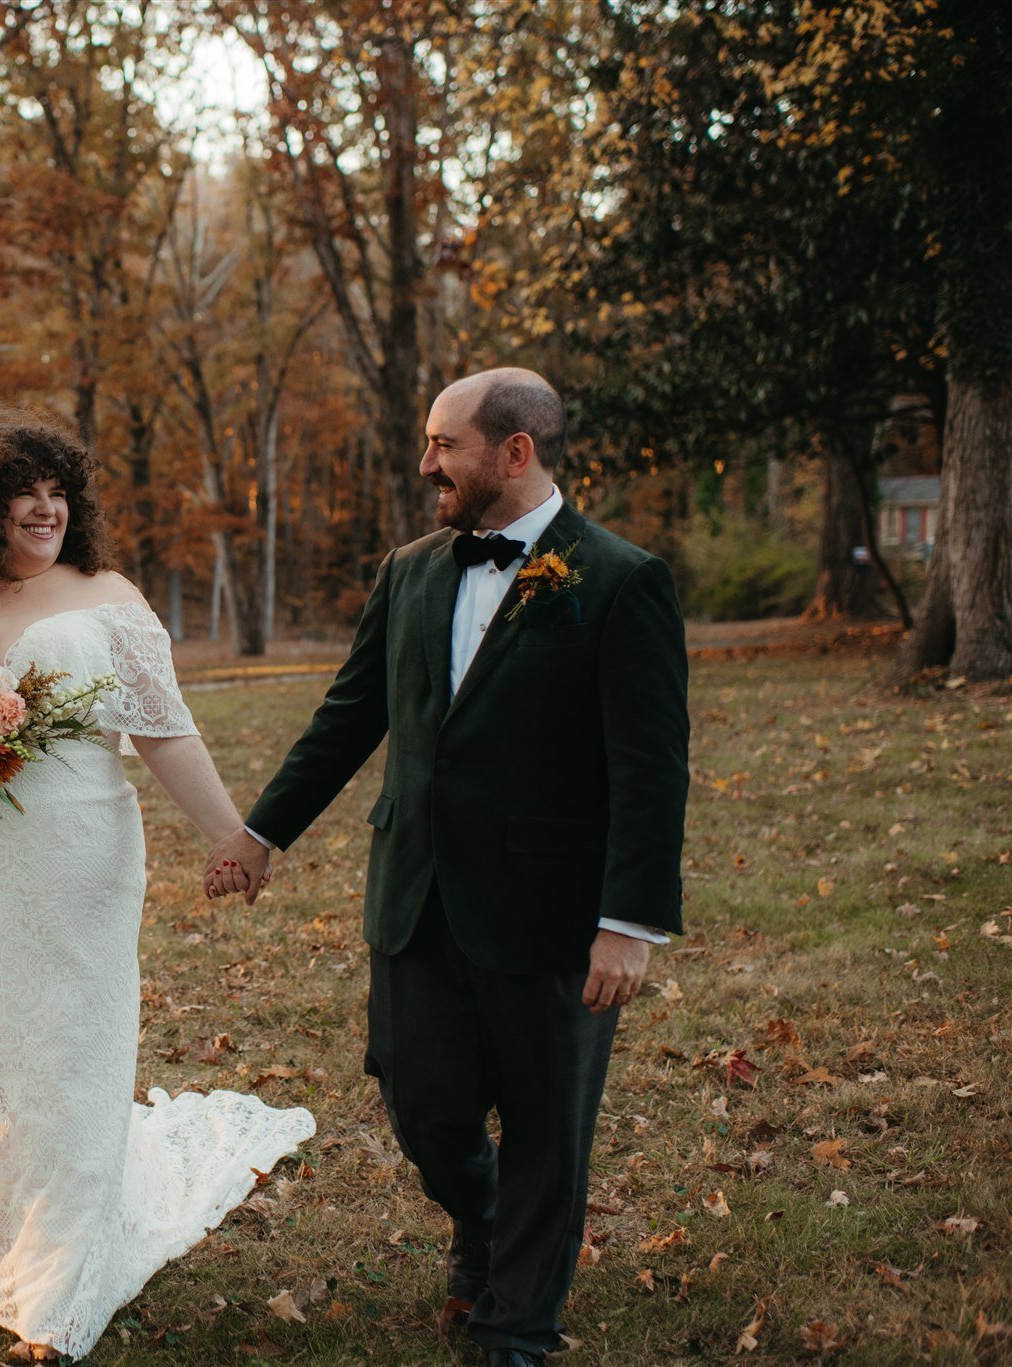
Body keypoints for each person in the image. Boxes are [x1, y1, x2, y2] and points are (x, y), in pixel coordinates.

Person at [202, 368, 689, 1367]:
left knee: (549, 1129)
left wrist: (628, 922)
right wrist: (260, 834)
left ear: (513, 453)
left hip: (548, 909)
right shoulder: (413, 568)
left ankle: (515, 1321)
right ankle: (484, 1215)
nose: (425, 461)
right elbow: (349, 716)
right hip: (414, 896)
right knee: (424, 1108)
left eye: (443, 444)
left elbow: (649, 769)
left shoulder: (621, 578)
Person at [0, 405, 315, 1362]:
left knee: (69, 1046)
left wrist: (233, 835)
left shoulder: (107, 596)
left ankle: (62, 1279)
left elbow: (165, 730)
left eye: (58, 493)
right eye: (24, 494)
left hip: (75, 857)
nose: (46, 510)